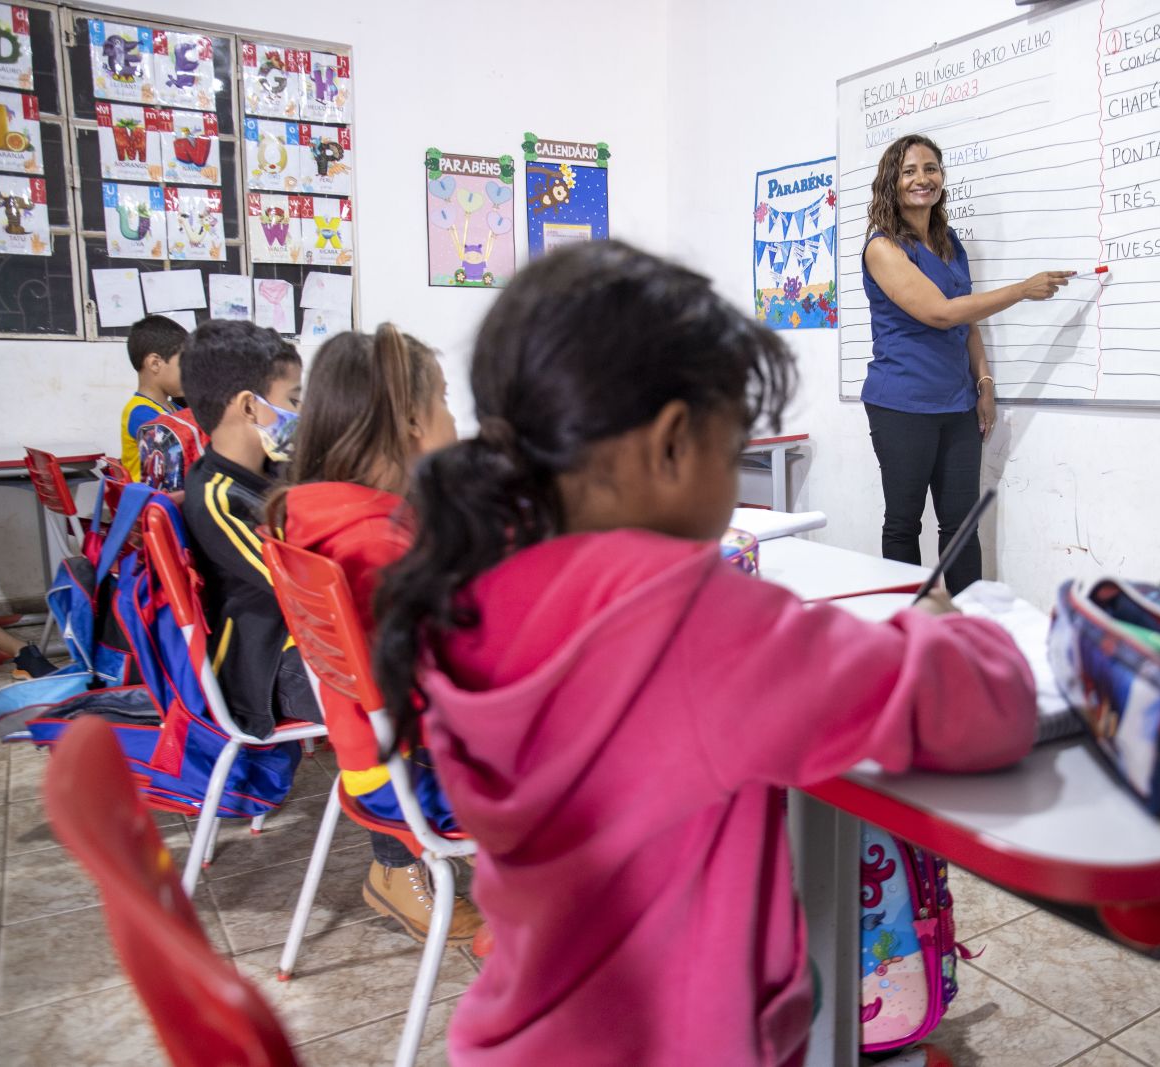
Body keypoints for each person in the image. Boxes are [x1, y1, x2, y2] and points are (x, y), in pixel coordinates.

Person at [372, 241, 1038, 1066]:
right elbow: (984, 709)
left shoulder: (467, 585)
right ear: (674, 442)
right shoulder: (693, 623)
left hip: (523, 1033)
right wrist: (942, 623)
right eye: (736, 450)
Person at [266, 325, 485, 949]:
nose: (452, 415)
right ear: (413, 421)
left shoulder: (315, 511)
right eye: (443, 399)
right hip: (421, 778)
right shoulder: (374, 545)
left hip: (371, 761)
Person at [861, 133, 1073, 593]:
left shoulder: (948, 240)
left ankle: (966, 626)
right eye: (910, 171)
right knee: (904, 524)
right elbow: (940, 313)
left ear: (942, 178)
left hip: (956, 404)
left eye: (931, 168)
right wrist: (1021, 290)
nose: (923, 179)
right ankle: (911, 628)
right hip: (902, 405)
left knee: (961, 527)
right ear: (891, 183)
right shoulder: (883, 248)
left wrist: (985, 383)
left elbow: (968, 316)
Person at [177, 320, 307, 739]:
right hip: (267, 669)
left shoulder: (274, 471)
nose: (301, 414)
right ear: (250, 408)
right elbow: (298, 585)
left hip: (302, 643)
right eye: (293, 400)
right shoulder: (217, 497)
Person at [119, 315, 189, 481]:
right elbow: (179, 454)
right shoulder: (140, 412)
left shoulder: (175, 409)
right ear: (155, 363)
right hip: (151, 502)